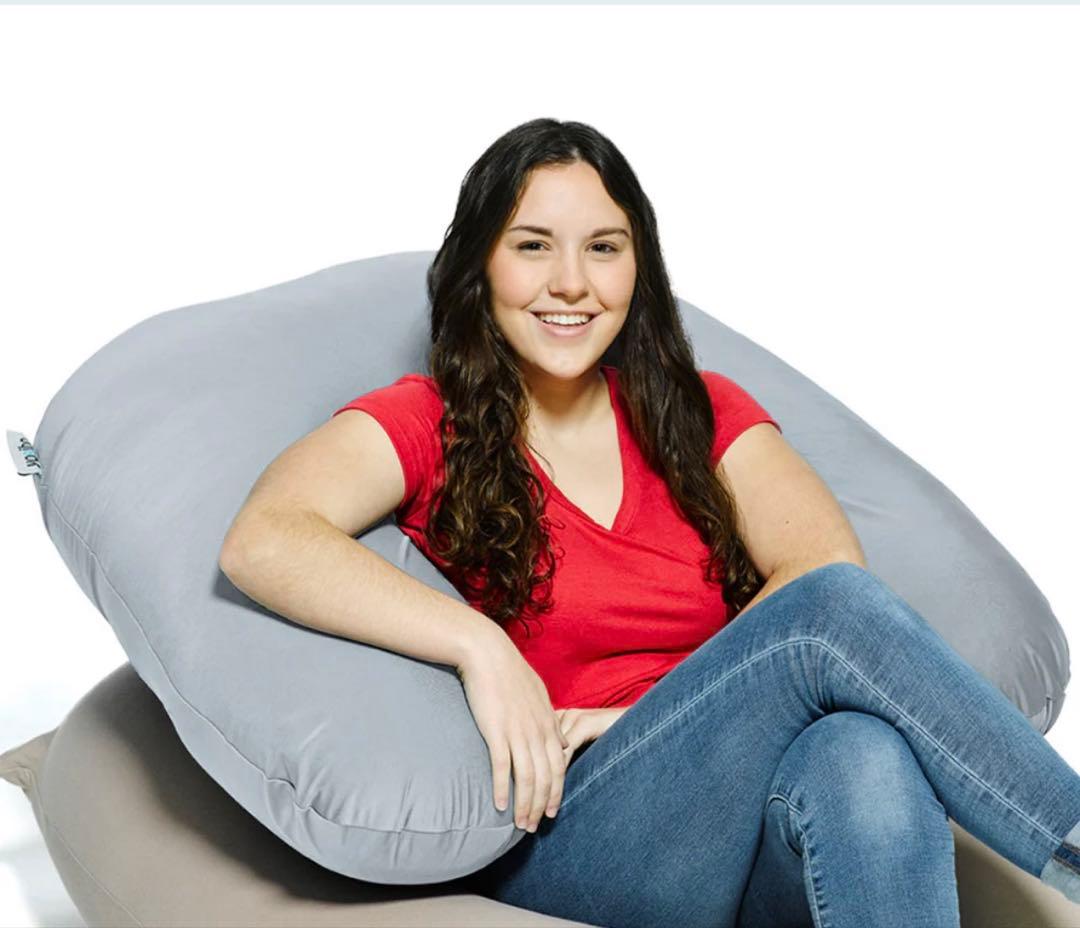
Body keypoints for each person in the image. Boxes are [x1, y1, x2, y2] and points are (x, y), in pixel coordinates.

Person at [225, 118, 1080, 928]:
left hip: (742, 825)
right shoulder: (429, 420)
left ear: (639, 268)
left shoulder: (699, 413)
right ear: (481, 264)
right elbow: (265, 537)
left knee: (863, 754)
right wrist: (479, 646)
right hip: (577, 827)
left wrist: (648, 708)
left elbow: (821, 563)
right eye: (533, 246)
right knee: (826, 617)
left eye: (603, 248)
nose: (572, 283)